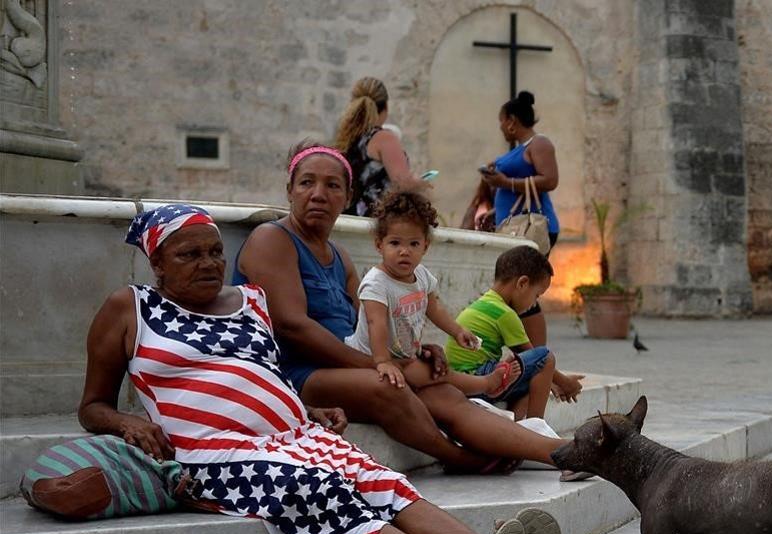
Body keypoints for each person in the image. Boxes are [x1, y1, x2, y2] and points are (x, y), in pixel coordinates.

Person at [77, 203, 560, 534]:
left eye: (215, 251)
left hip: (293, 435)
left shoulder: (248, 301)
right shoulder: (131, 307)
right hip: (211, 452)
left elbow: (266, 373)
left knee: (382, 480)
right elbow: (91, 405)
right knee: (314, 486)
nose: (208, 263)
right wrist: (123, 421)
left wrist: (305, 412)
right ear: (157, 263)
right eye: (189, 254)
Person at [233, 142, 573, 476]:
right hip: (298, 375)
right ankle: (455, 457)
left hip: (350, 362)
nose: (318, 193)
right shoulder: (272, 239)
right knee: (389, 384)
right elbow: (293, 327)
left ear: (348, 197)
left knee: (443, 390)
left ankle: (565, 453)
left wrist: (410, 351)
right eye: (307, 182)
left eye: (332, 185)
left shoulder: (340, 257)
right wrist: (383, 365)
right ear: (290, 190)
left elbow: (366, 324)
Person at [344, 187, 522, 399]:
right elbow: (376, 324)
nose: (404, 251)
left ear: (425, 247)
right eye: (395, 243)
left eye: (414, 244)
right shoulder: (376, 284)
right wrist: (382, 362)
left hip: (404, 354)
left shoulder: (421, 275)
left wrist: (457, 331)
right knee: (438, 375)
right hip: (372, 357)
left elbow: (434, 308)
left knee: (435, 371)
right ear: (379, 245)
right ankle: (486, 384)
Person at [479, 90, 583, 403]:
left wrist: (505, 183)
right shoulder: (519, 148)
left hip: (535, 228)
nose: (499, 127)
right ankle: (538, 365)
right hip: (513, 224)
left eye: (501, 121)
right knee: (520, 295)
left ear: (511, 121)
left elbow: (549, 180)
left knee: (525, 295)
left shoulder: (540, 144)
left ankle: (540, 366)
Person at [447, 246, 557, 423]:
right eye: (536, 295)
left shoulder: (485, 303)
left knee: (529, 382)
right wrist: (565, 383)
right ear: (522, 283)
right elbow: (537, 359)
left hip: (460, 381)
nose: (533, 304)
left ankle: (517, 427)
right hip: (477, 380)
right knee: (546, 357)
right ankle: (537, 427)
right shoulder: (505, 314)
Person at [333, 76, 426, 216]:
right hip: (376, 222)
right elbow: (403, 183)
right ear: (386, 107)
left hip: (346, 217)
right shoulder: (384, 139)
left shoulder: (347, 139)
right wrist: (421, 183)